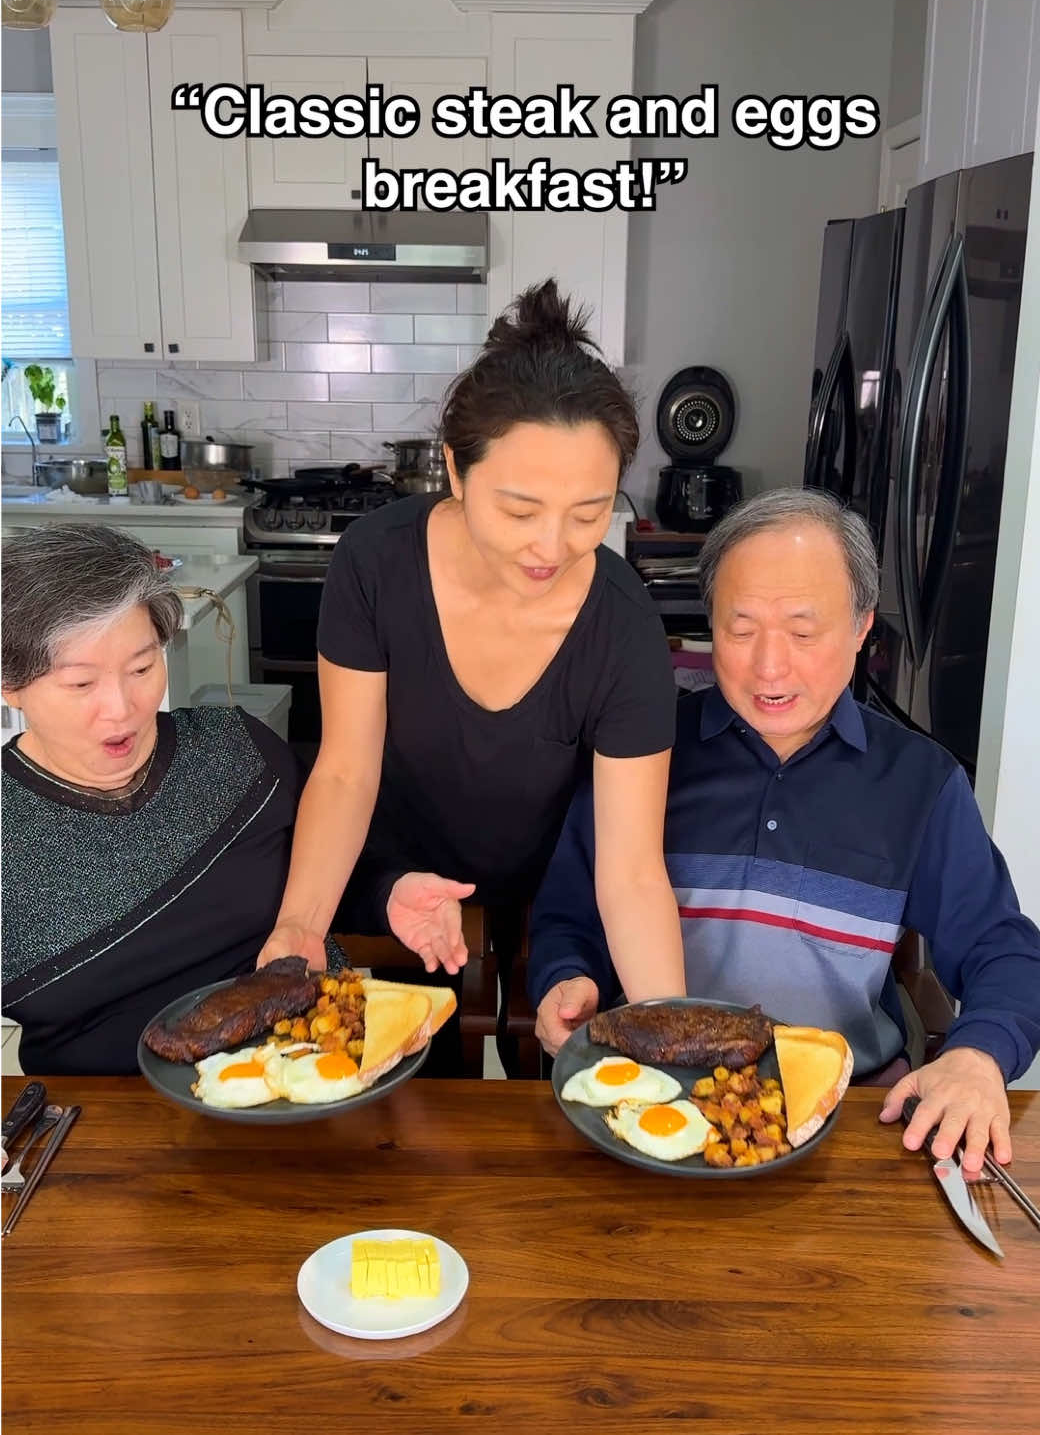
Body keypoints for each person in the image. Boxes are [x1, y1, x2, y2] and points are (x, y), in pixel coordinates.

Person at [527, 488, 1040, 1176]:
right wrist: (567, 978)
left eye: (803, 632)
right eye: (740, 630)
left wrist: (977, 1058)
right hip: (652, 1108)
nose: (769, 667)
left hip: (844, 1114)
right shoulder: (641, 755)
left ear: (861, 628)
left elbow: (1003, 948)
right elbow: (566, 917)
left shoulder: (918, 782)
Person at [257, 280, 685, 1066]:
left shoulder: (622, 623)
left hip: (549, 892)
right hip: (400, 880)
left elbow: (629, 870)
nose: (552, 547)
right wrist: (300, 926)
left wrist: (668, 1030)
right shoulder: (376, 564)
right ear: (455, 471)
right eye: (520, 511)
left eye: (589, 514)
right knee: (414, 1090)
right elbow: (347, 771)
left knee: (550, 1076)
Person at [1, 523, 303, 1074]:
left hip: (304, 1069)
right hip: (111, 1120)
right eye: (80, 684)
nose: (122, 708)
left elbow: (332, 866)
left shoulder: (235, 752)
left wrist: (392, 890)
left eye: (142, 668)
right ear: (10, 684)